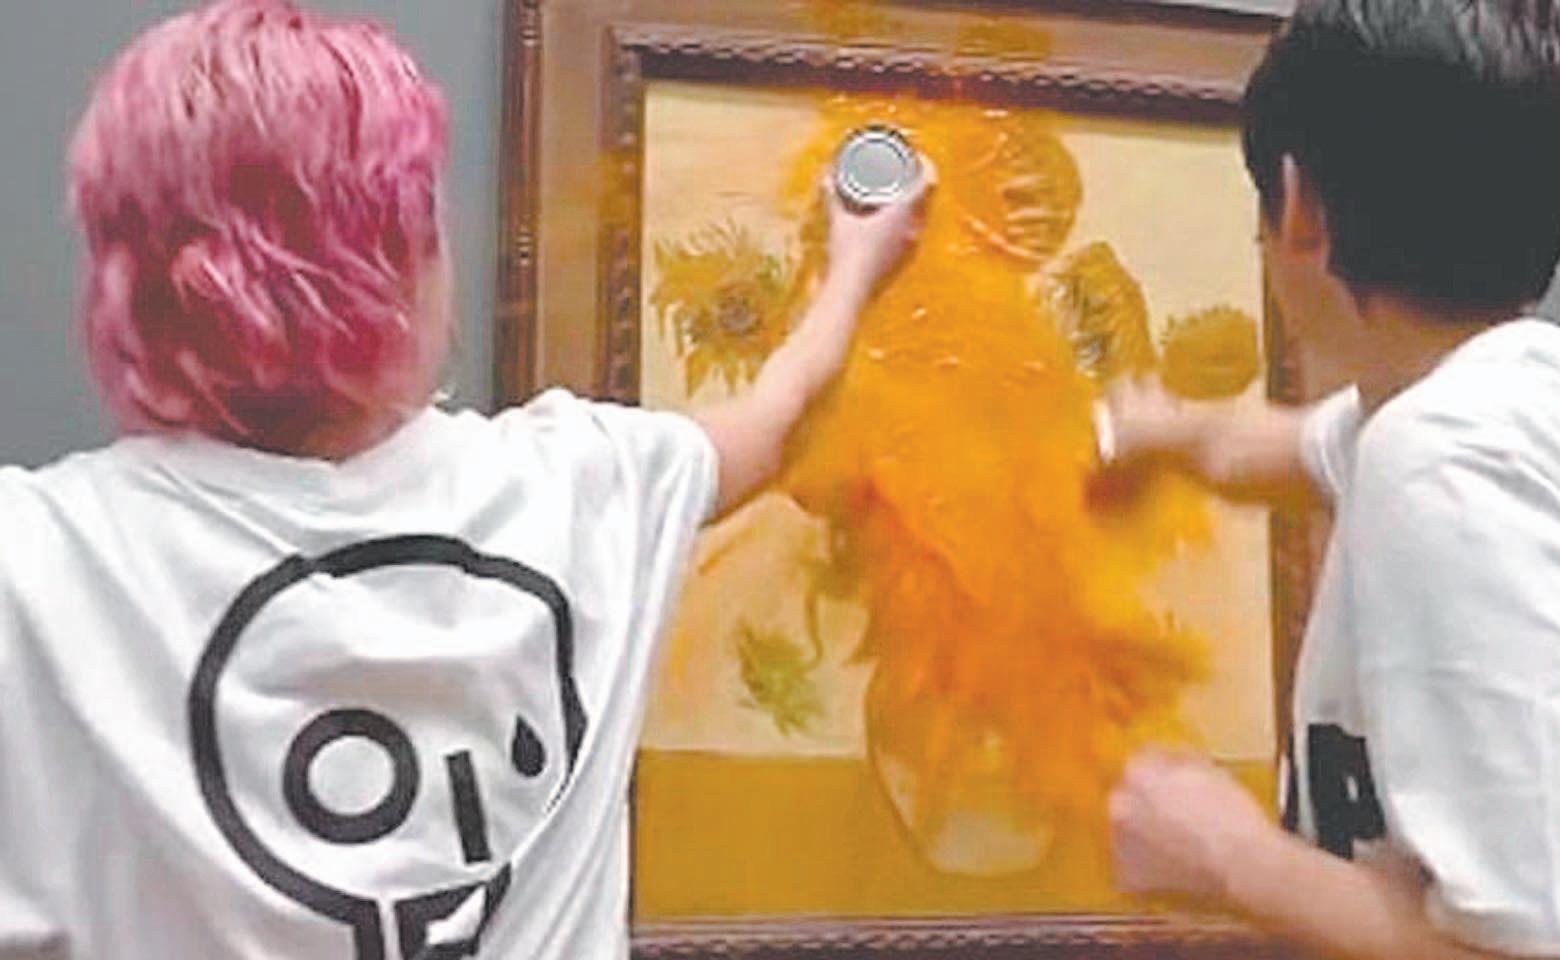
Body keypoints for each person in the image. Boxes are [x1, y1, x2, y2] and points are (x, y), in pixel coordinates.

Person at [0, 1, 926, 958]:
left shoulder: (31, 563)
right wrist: (856, 265)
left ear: (129, 279)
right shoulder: (583, 490)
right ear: (405, 262)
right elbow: (778, 421)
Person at [1103, 1, 1560, 957]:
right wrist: (1148, 435)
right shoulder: (1475, 398)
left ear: (1299, 205)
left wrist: (1230, 859)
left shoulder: (1441, 455)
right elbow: (1268, 446)